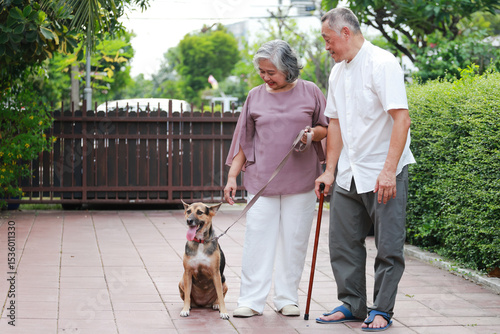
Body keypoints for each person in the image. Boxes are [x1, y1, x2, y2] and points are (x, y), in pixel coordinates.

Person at [314, 8, 416, 332]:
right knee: (342, 242)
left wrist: (388, 171)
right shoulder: (336, 73)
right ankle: (352, 303)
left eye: (328, 40)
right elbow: (335, 123)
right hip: (348, 172)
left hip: (383, 170)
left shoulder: (382, 63)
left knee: (388, 246)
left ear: (345, 33)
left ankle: (382, 309)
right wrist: (330, 170)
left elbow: (402, 118)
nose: (326, 47)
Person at [224, 39, 328, 318]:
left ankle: (286, 298)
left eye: (271, 72)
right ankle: (251, 300)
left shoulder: (311, 92)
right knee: (257, 240)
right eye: (262, 71)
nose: (265, 77)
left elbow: (326, 127)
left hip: (302, 181)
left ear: (289, 69)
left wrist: (311, 135)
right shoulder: (254, 96)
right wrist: (232, 177)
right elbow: (243, 141)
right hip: (261, 183)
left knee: (294, 241)